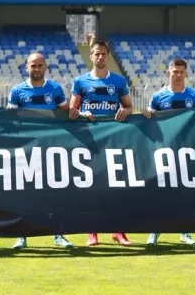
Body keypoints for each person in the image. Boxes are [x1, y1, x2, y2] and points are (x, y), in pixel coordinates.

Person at [69, 39, 133, 246]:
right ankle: (92, 232)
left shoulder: (119, 81)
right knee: (93, 186)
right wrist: (81, 113)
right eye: (96, 53)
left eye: (103, 54)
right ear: (91, 56)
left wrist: (125, 110)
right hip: (90, 139)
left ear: (107, 55)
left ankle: (118, 231)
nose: (100, 57)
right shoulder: (80, 81)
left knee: (116, 186)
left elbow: (129, 107)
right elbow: (72, 112)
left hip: (114, 140)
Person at [7, 53, 73, 249]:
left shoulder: (54, 89)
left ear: (45, 67)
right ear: (26, 68)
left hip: (50, 149)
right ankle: (21, 236)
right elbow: (9, 119)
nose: (36, 69)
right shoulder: (17, 91)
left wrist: (79, 113)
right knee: (24, 193)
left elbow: (66, 113)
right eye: (33, 66)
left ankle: (58, 235)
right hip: (26, 150)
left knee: (54, 193)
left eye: (40, 65)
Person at [141, 58, 195, 245]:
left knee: (184, 192)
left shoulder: (194, 96)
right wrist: (146, 114)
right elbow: (150, 120)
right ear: (168, 73)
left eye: (181, 72)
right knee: (161, 192)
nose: (178, 75)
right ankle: (155, 230)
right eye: (174, 71)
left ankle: (184, 231)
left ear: (186, 74)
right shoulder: (158, 97)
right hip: (165, 151)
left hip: (187, 151)